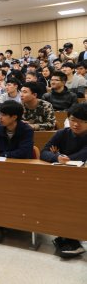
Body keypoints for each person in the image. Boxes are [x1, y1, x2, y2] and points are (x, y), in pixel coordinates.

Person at [40, 103, 87, 258]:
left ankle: (73, 239)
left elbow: (83, 155)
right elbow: (44, 152)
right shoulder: (63, 133)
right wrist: (57, 156)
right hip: (63, 178)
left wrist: (65, 157)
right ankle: (67, 237)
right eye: (73, 119)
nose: (75, 124)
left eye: (82, 121)